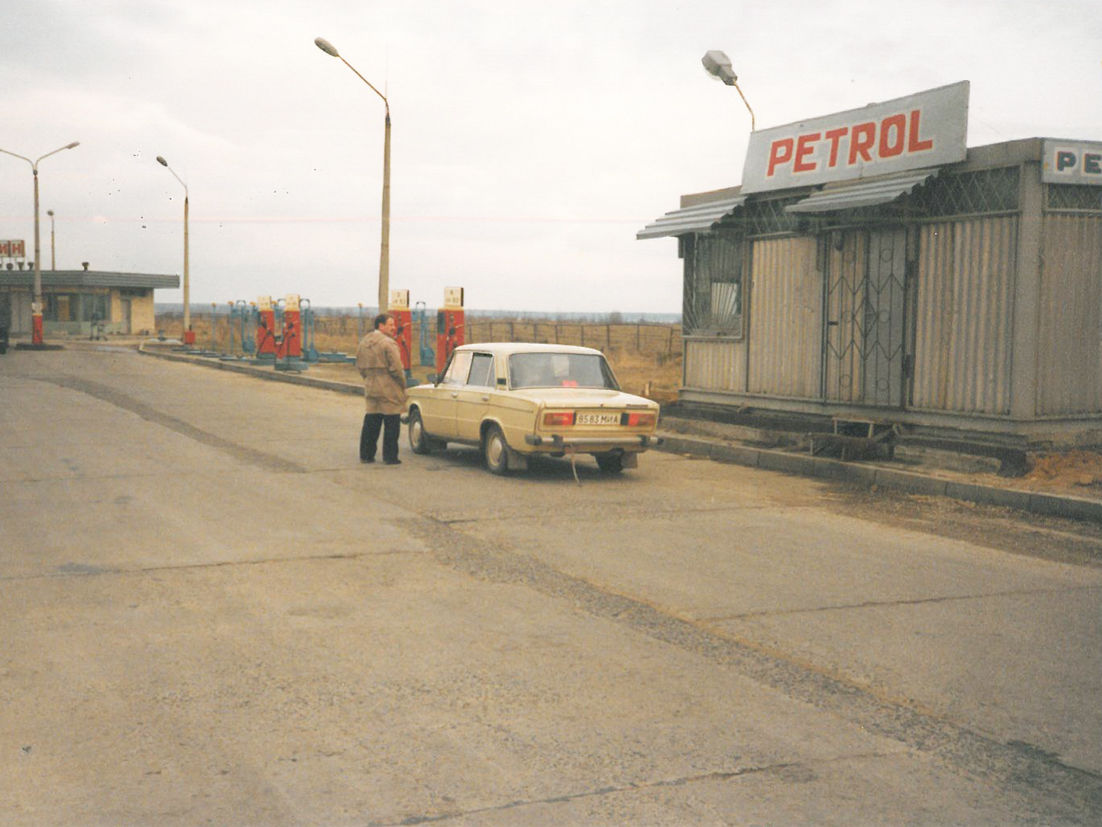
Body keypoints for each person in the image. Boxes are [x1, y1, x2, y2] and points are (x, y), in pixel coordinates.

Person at [355, 312, 407, 465]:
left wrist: (368, 378)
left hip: (371, 384)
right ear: (381, 325)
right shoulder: (388, 343)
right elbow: (397, 367)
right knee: (392, 421)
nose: (393, 328)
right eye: (390, 324)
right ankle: (390, 456)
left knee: (372, 420)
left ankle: (366, 454)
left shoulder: (364, 342)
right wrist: (402, 384)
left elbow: (359, 365)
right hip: (388, 385)